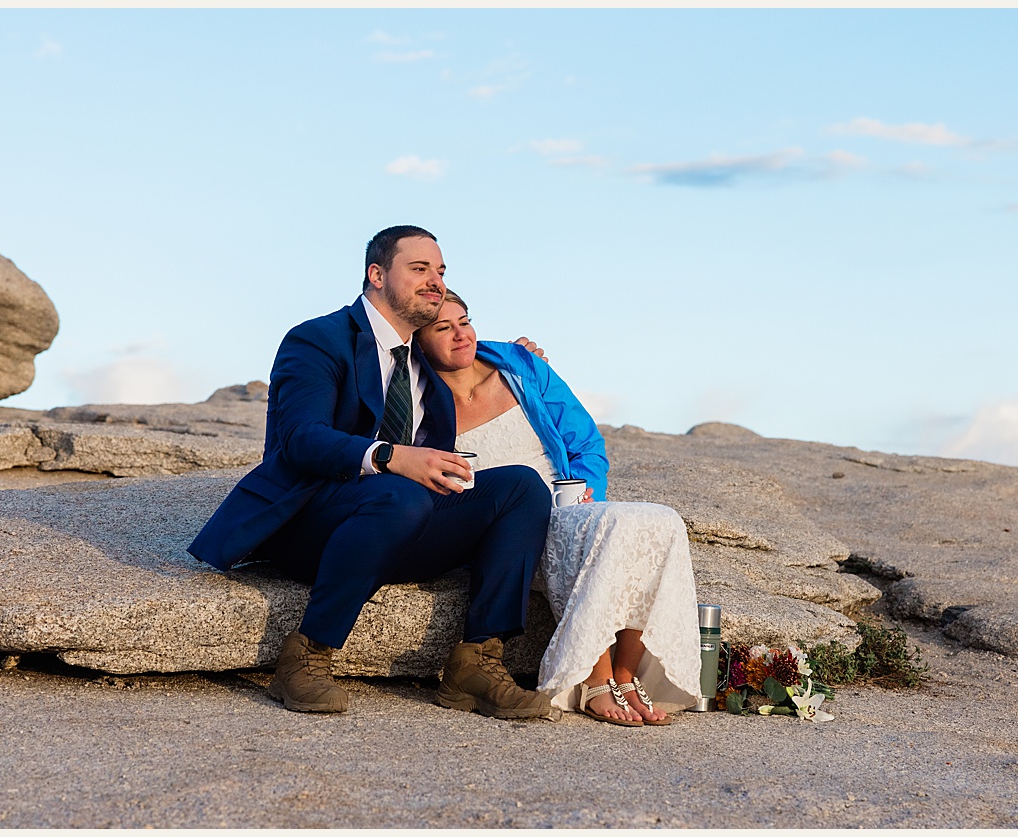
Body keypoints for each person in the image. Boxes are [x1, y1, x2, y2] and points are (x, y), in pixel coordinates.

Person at [187, 226, 554, 719]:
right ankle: (306, 658)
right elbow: (299, 439)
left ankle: (477, 662)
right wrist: (390, 457)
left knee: (520, 488)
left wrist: (519, 357)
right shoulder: (318, 339)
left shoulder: (424, 361)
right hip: (312, 523)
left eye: (441, 271)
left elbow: (469, 350)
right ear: (376, 274)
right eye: (420, 269)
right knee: (399, 495)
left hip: (402, 524)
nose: (436, 282)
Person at [413, 290, 701, 727]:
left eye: (465, 321)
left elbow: (585, 443)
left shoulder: (521, 365)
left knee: (658, 520)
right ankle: (594, 679)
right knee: (611, 533)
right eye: (443, 328)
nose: (461, 334)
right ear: (418, 341)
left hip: (570, 503)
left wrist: (587, 496)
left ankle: (625, 676)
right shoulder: (415, 401)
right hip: (506, 525)